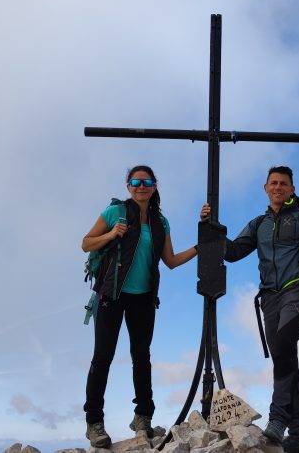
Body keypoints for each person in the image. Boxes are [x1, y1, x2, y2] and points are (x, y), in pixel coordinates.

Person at [200, 165, 299, 453]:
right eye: (273, 183)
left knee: (284, 345)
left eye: (284, 183)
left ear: (292, 189)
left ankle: (278, 417)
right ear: (265, 188)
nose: (278, 187)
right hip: (269, 298)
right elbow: (233, 252)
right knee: (284, 359)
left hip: (297, 290)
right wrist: (211, 228)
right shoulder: (259, 224)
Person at [81, 165, 198, 448]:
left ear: (155, 186)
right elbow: (86, 244)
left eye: (146, 182)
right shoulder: (115, 213)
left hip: (144, 297)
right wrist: (111, 234)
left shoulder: (161, 222)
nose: (141, 186)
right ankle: (94, 423)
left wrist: (200, 247)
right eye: (135, 181)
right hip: (111, 294)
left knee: (141, 356)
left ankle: (143, 416)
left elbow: (169, 261)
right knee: (103, 357)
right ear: (128, 185)